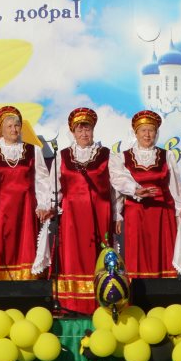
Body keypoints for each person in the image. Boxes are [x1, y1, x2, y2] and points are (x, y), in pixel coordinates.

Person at [49, 107, 116, 313]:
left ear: (93, 131)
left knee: (99, 256)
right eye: (79, 130)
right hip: (72, 216)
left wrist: (118, 213)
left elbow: (116, 186)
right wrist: (49, 206)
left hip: (99, 214)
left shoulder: (106, 155)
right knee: (72, 257)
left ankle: (101, 301)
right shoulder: (62, 156)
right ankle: (72, 304)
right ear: (73, 132)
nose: (84, 134)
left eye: (87, 129)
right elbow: (54, 187)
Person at [110, 110, 181, 279]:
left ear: (156, 133)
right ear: (136, 133)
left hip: (162, 214)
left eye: (151, 130)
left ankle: (165, 295)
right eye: (143, 130)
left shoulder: (167, 155)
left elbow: (174, 186)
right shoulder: (123, 157)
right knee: (138, 255)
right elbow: (118, 183)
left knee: (162, 254)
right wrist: (120, 211)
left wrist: (180, 209)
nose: (147, 134)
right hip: (136, 213)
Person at [0, 106, 50, 281]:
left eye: (17, 125)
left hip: (25, 208)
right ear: (1, 130)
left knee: (25, 246)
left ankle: (27, 286)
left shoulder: (33, 151)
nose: (14, 129)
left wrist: (43, 204)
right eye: (9, 126)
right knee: (1, 246)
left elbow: (42, 180)